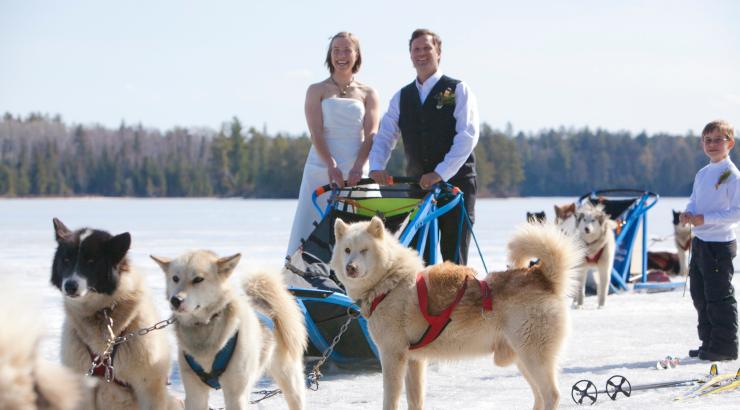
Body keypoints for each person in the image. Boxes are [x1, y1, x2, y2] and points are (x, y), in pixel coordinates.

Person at [369, 28, 479, 265]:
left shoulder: (458, 89)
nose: (421, 54)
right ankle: (422, 302)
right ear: (410, 56)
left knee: (454, 257)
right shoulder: (401, 97)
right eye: (416, 49)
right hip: (417, 188)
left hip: (456, 185)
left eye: (427, 48)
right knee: (417, 257)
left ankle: (458, 302)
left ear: (438, 52)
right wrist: (377, 166)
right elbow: (386, 134)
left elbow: (467, 135)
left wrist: (440, 173)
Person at [285, 32, 380, 258]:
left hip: (357, 168)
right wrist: (331, 164)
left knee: (359, 230)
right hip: (321, 166)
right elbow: (315, 132)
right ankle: (305, 274)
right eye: (336, 50)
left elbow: (372, 134)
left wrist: (358, 166)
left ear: (357, 55)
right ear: (330, 55)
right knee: (312, 223)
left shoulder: (369, 93)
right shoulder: (316, 90)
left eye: (347, 50)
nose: (341, 55)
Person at [680, 120, 739, 361]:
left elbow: (737, 212)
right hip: (701, 243)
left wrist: (705, 219)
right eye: (708, 140)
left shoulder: (731, 176)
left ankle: (725, 347)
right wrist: (688, 213)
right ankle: (709, 342)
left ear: (730, 143)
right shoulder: (703, 173)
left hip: (719, 244)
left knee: (718, 296)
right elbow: (695, 201)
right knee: (700, 294)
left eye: (718, 140)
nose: (712, 144)